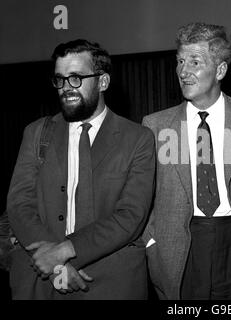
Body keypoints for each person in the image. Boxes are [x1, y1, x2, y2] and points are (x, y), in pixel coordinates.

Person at [7, 39, 155, 299]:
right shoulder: (36, 133)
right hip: (40, 278)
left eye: (76, 78)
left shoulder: (138, 138)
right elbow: (19, 204)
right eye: (60, 79)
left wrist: (66, 251)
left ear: (103, 82)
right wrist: (55, 263)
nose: (66, 88)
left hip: (110, 281)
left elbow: (131, 215)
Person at [142, 22, 231, 300]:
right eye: (180, 61)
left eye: (194, 62)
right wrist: (152, 241)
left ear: (220, 70)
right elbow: (142, 195)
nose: (183, 71)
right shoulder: (155, 125)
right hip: (178, 241)